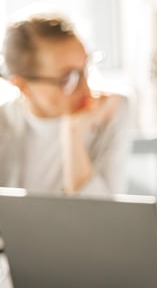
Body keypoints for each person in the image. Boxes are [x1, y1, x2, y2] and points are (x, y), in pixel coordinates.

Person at [0, 14, 130, 195]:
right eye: (67, 78)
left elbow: (104, 216)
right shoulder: (3, 122)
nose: (86, 88)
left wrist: (73, 135)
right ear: (23, 86)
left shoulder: (110, 112)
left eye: (86, 68)